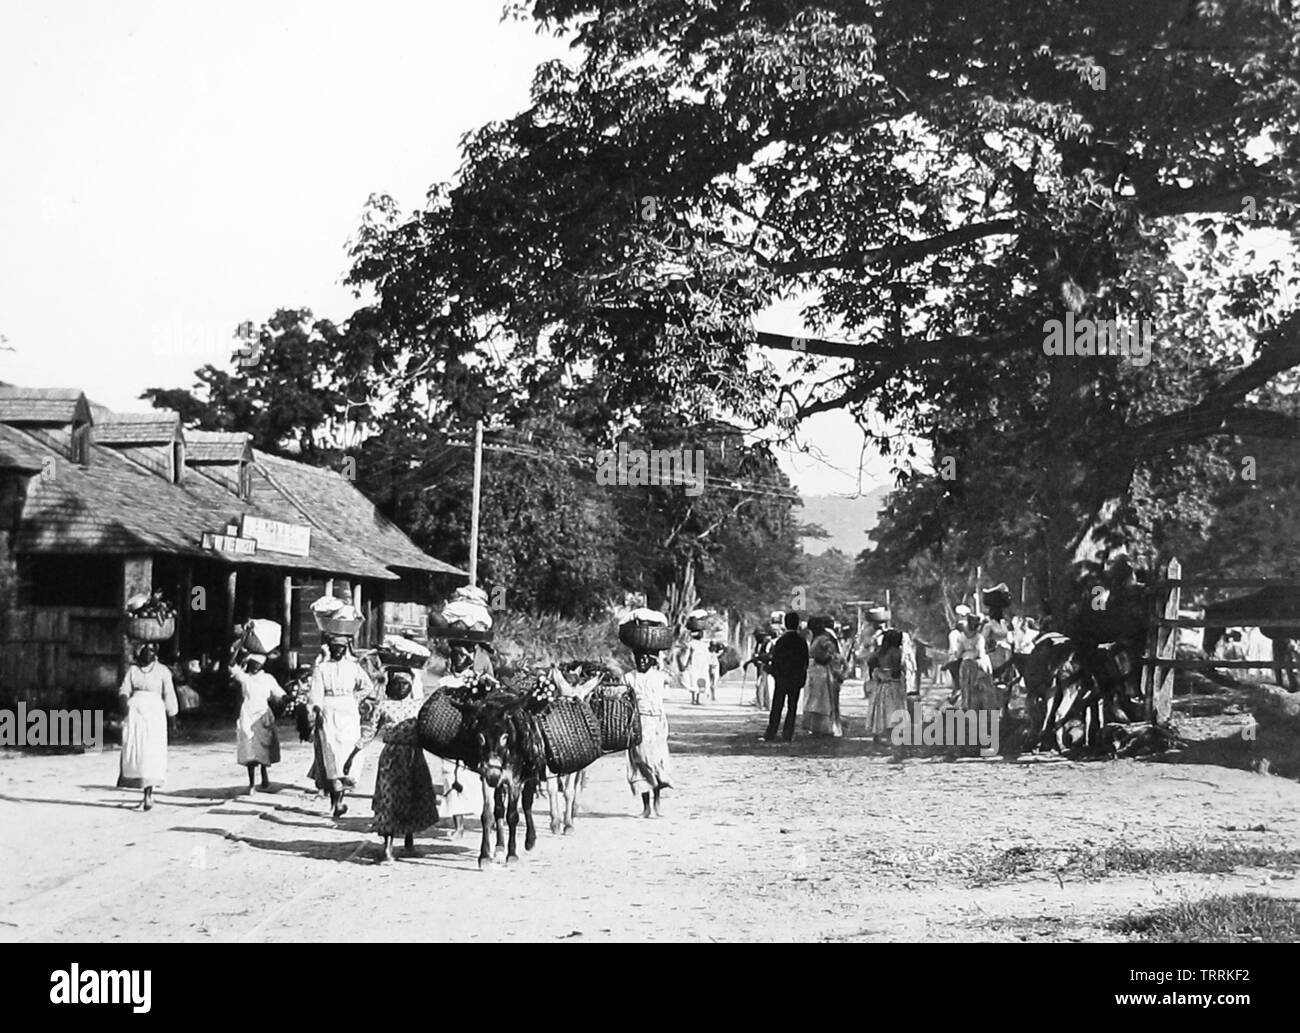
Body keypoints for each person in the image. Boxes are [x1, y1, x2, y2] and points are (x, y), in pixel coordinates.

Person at [344, 667, 438, 862]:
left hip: (414, 757)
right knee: (389, 799)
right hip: (392, 758)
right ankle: (387, 848)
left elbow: (430, 729)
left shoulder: (419, 706)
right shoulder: (383, 706)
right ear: (390, 686)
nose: (401, 688)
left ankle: (409, 843)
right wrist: (352, 755)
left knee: (414, 797)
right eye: (397, 684)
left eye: (406, 684)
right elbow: (369, 732)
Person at [308, 634, 372, 819]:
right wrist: (317, 709)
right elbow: (316, 691)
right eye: (335, 647)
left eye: (341, 647)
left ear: (346, 649)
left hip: (349, 710)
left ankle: (339, 799)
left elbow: (367, 685)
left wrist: (355, 698)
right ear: (330, 648)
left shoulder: (353, 667)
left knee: (346, 753)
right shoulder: (322, 668)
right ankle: (336, 802)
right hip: (328, 709)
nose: (338, 650)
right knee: (331, 753)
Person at [435, 638, 490, 839]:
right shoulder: (444, 682)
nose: (456, 660)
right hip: (450, 735)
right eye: (454, 656)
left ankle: (486, 819)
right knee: (451, 777)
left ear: (468, 659)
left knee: (475, 779)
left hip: (472, 736)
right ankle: (458, 826)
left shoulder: (478, 681)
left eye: (461, 656)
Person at [117, 642, 179, 811]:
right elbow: (124, 689)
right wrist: (125, 703)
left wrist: (172, 718)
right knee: (137, 752)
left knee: (152, 754)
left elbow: (170, 695)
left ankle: (148, 795)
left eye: (152, 651)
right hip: (136, 715)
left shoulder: (162, 672)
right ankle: (141, 788)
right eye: (145, 651)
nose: (148, 654)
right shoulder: (133, 671)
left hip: (155, 716)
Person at [625, 647, 673, 817]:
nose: (642, 662)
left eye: (645, 659)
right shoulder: (629, 677)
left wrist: (659, 662)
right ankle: (646, 807)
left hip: (658, 723)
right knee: (641, 762)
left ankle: (657, 802)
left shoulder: (659, 675)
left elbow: (672, 678)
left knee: (657, 761)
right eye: (639, 659)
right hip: (640, 722)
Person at [233, 653, 285, 794]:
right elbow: (232, 666)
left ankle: (264, 776)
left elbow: (278, 692)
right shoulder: (245, 678)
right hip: (248, 714)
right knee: (249, 746)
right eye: (253, 663)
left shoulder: (268, 678)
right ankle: (251, 784)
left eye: (258, 664)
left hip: (263, 714)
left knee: (263, 747)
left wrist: (288, 698)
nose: (256, 666)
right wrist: (239, 648)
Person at [765, 611, 809, 742]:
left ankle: (771, 733)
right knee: (792, 707)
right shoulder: (801, 641)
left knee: (777, 706)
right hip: (795, 678)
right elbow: (805, 661)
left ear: (785, 623)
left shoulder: (781, 641)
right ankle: (788, 733)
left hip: (782, 678)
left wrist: (775, 673)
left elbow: (776, 660)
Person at [866, 629, 909, 755]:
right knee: (893, 712)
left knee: (881, 711)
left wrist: (879, 673)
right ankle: (892, 739)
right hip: (892, 685)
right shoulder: (895, 652)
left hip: (881, 684)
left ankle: (877, 739)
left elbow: (870, 662)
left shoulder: (879, 651)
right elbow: (896, 670)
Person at [802, 616, 845, 737]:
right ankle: (817, 727)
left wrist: (825, 660)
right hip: (815, 672)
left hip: (823, 672)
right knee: (816, 700)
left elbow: (833, 654)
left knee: (823, 701)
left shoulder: (824, 639)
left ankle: (826, 727)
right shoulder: (817, 638)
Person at [953, 613, 999, 712]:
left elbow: (958, 653)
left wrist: (964, 653)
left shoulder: (961, 637)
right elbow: (980, 653)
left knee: (965, 685)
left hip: (965, 663)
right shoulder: (979, 638)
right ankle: (982, 707)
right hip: (977, 663)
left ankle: (966, 706)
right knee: (981, 686)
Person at [677, 626, 719, 705]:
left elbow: (687, 655)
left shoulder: (691, 644)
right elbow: (707, 657)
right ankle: (698, 698)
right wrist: (710, 665)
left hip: (695, 665)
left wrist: (684, 663)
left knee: (694, 681)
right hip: (702, 665)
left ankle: (694, 699)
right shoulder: (704, 645)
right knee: (700, 680)